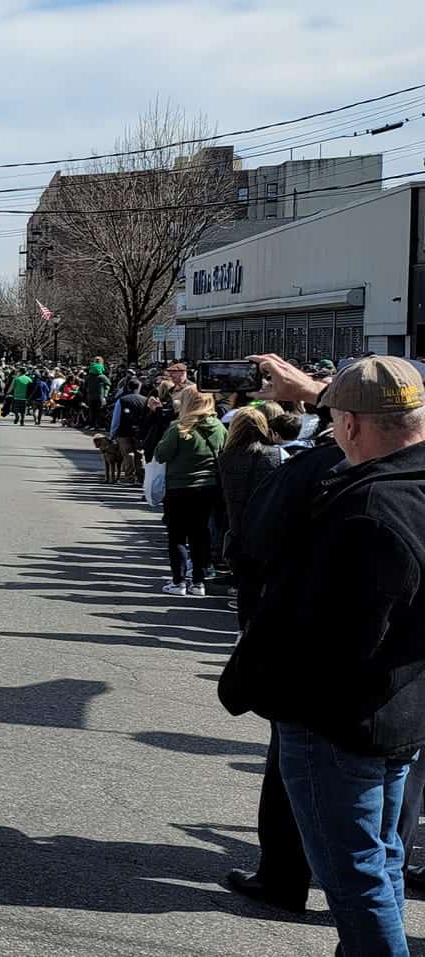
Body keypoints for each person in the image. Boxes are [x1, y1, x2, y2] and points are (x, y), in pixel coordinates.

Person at [221, 356, 425, 956]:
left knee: (356, 876)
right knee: (380, 859)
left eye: (335, 421)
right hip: (398, 712)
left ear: (353, 427)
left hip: (342, 721)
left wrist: (257, 684)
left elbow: (329, 639)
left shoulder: (369, 510)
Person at [215, 406, 283, 630]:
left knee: (246, 586)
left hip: (238, 526)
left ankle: (244, 630)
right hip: (270, 526)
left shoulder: (225, 457)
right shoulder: (277, 455)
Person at [153, 390, 225, 596]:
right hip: (208, 487)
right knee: (200, 534)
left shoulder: (178, 427)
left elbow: (161, 454)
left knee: (177, 535)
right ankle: (198, 582)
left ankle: (178, 581)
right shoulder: (219, 427)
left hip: (179, 486)